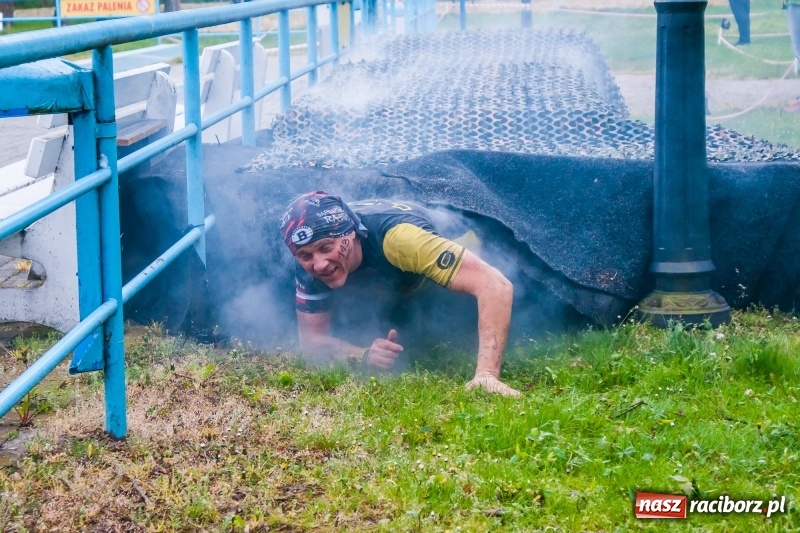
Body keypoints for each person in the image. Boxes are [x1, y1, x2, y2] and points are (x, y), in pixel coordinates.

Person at [280, 191, 520, 397]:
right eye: (305, 256)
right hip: (400, 278)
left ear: (351, 233)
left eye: (326, 248)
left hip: (467, 240)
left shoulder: (401, 239)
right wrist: (364, 355)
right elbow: (311, 343)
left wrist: (487, 375)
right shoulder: (309, 255)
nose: (319, 264)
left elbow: (495, 285)